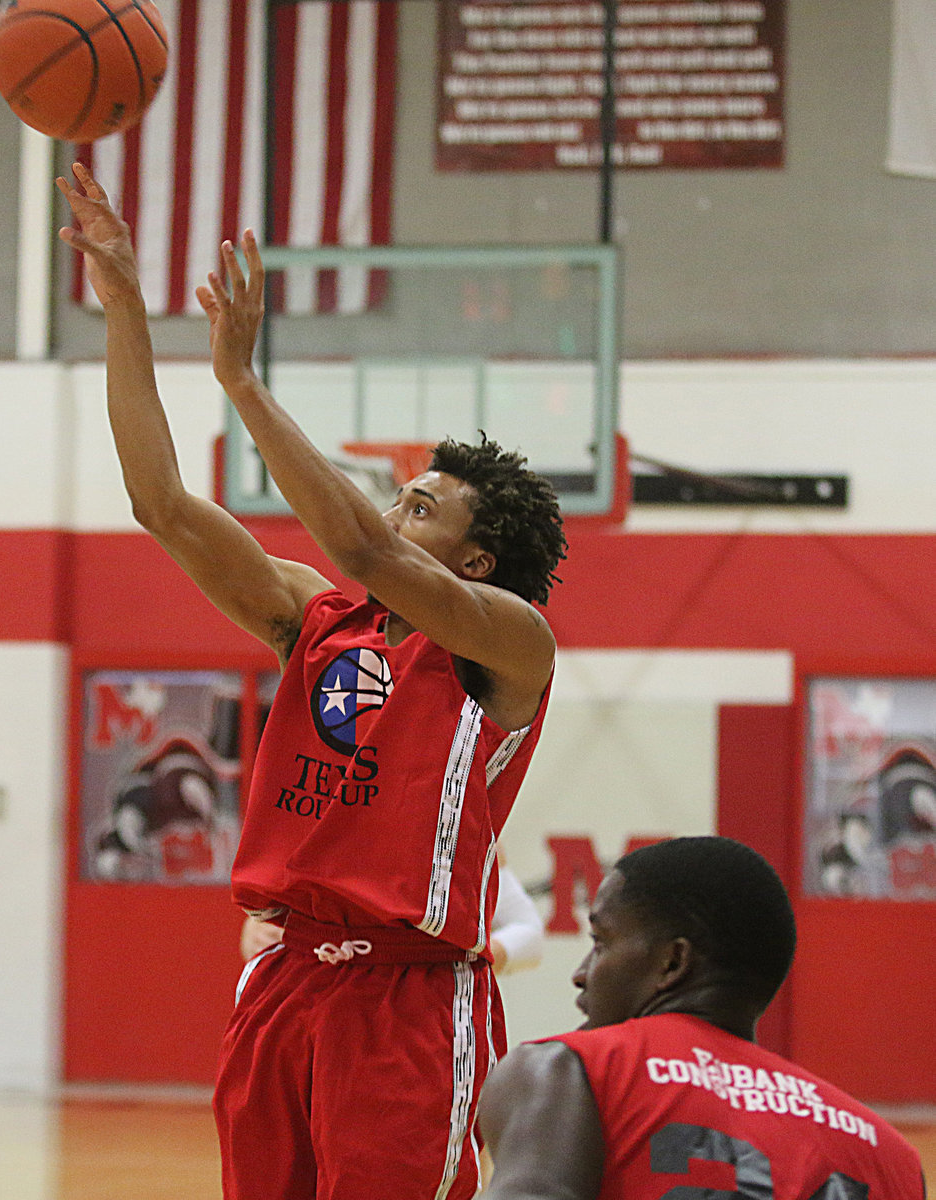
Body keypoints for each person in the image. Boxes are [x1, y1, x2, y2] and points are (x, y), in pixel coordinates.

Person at [57, 160, 568, 1200]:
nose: (392, 511)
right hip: (285, 980)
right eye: (400, 494)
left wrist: (243, 383)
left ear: (475, 562)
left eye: (421, 506)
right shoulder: (320, 622)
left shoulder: (507, 644)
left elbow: (370, 555)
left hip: (408, 997)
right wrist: (124, 313)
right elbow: (162, 504)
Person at [478, 836, 927, 1199]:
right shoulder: (891, 1157)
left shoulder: (565, 1073)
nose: (581, 975)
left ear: (673, 964)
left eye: (600, 942)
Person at [239, 858, 545, 975]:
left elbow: (529, 934)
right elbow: (261, 925)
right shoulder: (318, 802)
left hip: (421, 1023)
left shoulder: (453, 819)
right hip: (316, 1013)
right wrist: (258, 930)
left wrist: (456, 960)